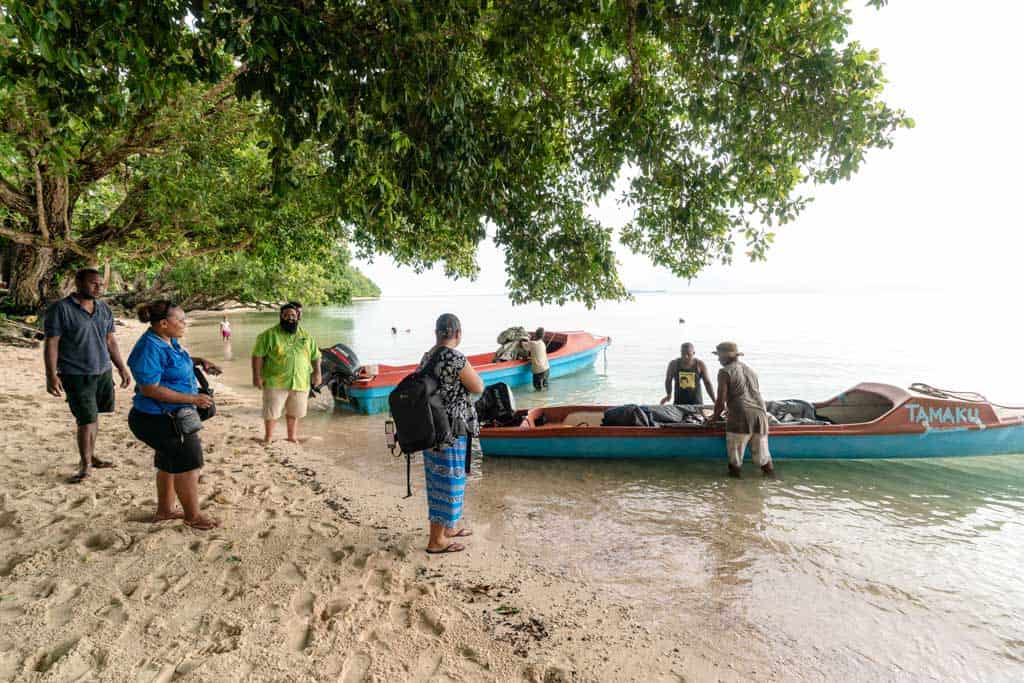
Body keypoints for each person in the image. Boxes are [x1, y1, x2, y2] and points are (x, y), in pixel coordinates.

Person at [127, 301, 221, 529]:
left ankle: (165, 510)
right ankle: (193, 516)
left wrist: (199, 361)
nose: (184, 324)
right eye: (180, 320)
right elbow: (150, 388)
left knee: (169, 462)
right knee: (189, 463)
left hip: (166, 416)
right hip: (158, 418)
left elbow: (175, 362)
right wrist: (192, 399)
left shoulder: (168, 339)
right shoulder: (149, 347)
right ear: (163, 323)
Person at [43, 268, 131, 483]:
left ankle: (91, 455)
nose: (98, 288)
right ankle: (85, 464)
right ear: (78, 283)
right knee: (86, 419)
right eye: (93, 283)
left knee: (94, 415)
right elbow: (52, 343)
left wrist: (121, 367)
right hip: (75, 373)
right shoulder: (61, 309)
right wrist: (51, 375)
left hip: (102, 370)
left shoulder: (103, 308)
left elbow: (110, 341)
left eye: (101, 284)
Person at [420, 313, 483, 554]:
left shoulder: (428, 356)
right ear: (457, 333)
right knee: (450, 481)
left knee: (439, 481)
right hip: (451, 431)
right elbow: (478, 387)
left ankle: (446, 529)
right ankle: (436, 540)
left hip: (431, 428)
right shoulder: (455, 357)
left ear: (436, 332)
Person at [251, 303, 321, 443]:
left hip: (300, 381)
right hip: (275, 381)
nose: (290, 318)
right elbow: (257, 356)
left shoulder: (306, 336)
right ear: (281, 316)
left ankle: (291, 437)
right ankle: (269, 437)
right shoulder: (268, 335)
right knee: (272, 412)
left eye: (293, 315)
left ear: (298, 317)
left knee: (294, 412)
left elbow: (316, 356)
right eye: (286, 315)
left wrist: (317, 373)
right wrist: (257, 376)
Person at [711, 342, 773, 478]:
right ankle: (772, 482)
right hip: (761, 416)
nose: (718, 359)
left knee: (735, 461)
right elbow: (750, 395)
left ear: (726, 357)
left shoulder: (724, 372)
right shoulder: (751, 370)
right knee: (763, 459)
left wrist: (713, 420)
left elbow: (720, 402)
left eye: (720, 356)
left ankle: (734, 492)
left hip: (740, 418)